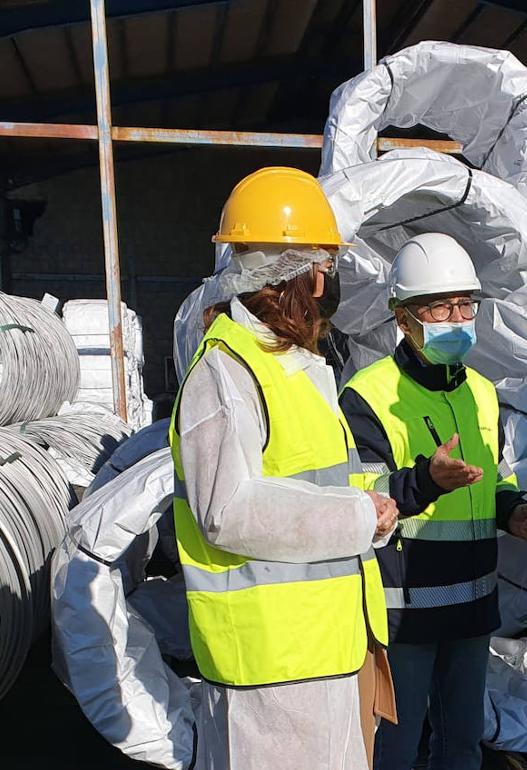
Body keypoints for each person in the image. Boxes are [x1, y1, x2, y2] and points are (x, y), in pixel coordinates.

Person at [172, 166, 396, 770]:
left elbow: (316, 481)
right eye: (321, 268)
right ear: (288, 276)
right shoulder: (227, 371)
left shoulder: (296, 369)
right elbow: (228, 511)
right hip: (272, 669)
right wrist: (357, 518)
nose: (327, 285)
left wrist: (373, 502)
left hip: (324, 649)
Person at [338, 232, 527, 770]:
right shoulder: (367, 395)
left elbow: (491, 479)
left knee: (461, 746)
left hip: (473, 606)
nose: (456, 318)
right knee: (396, 749)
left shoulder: (481, 390)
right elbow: (361, 504)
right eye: (439, 306)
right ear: (403, 317)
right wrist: (426, 482)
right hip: (403, 614)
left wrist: (512, 509)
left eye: (465, 305)